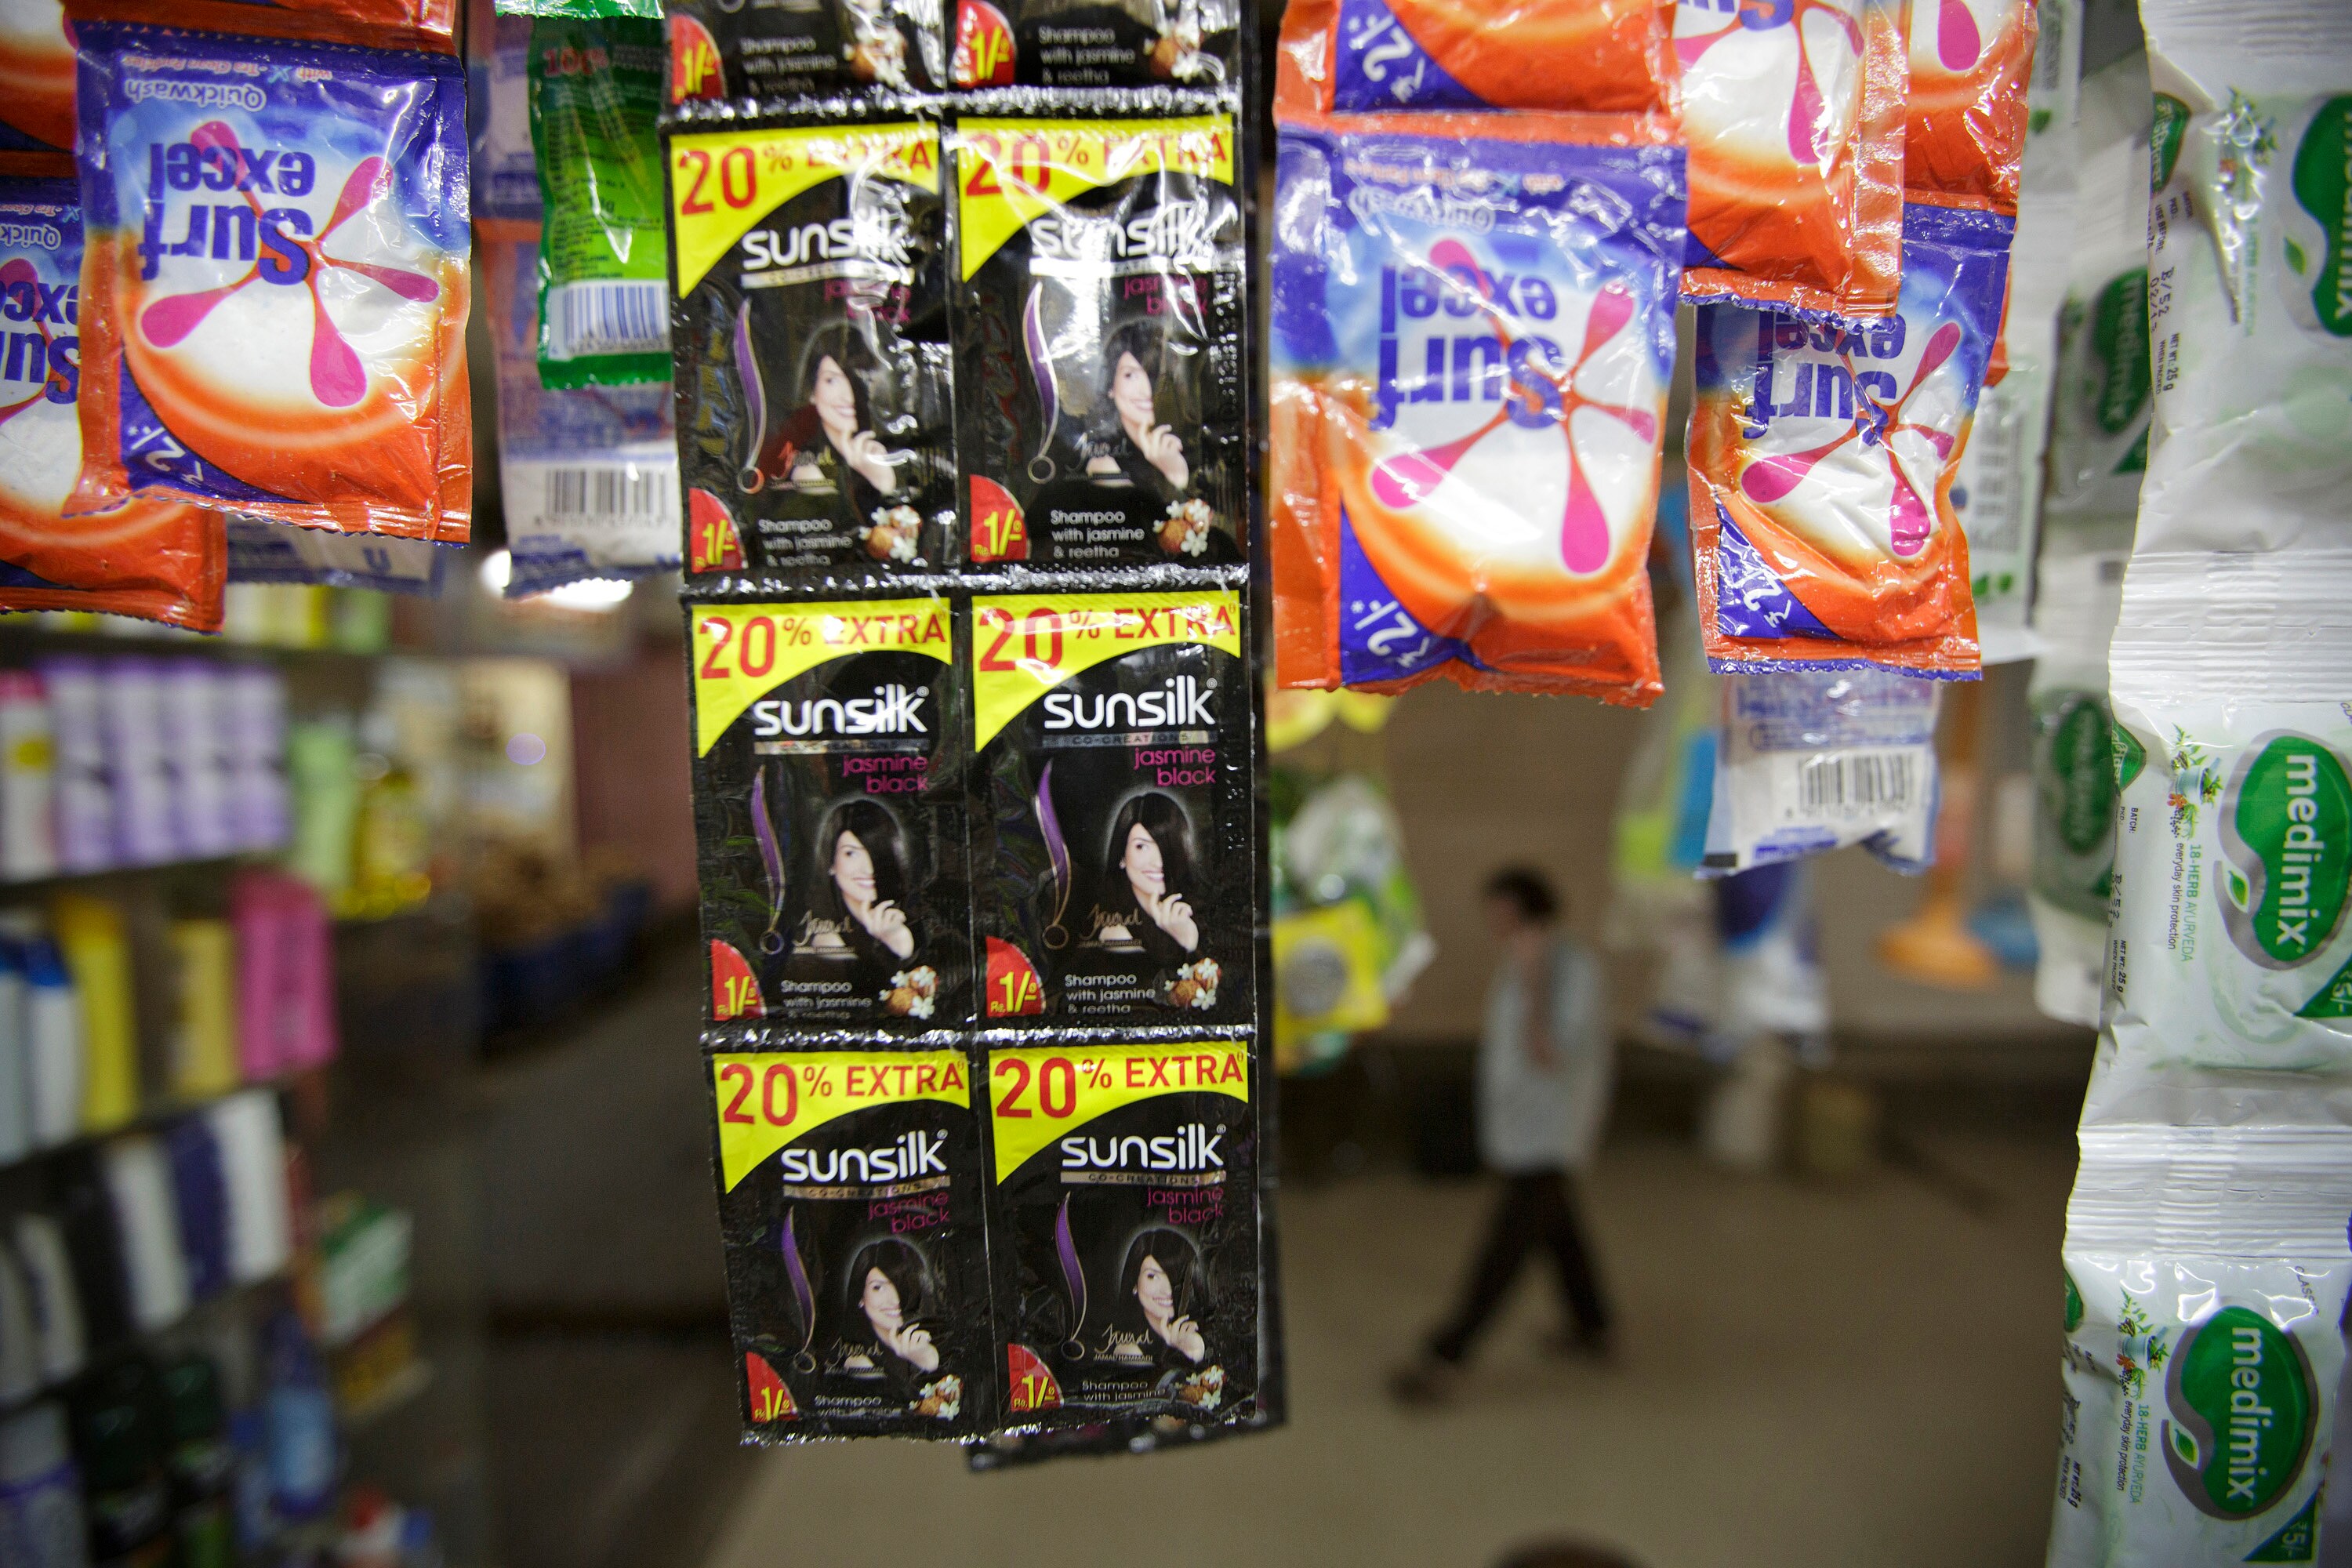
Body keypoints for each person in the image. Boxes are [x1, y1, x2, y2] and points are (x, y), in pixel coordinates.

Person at [1393, 865, 1615, 1403]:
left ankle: (1446, 1356)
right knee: (1561, 1231)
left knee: (1506, 1246)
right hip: (1523, 1126)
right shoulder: (1517, 962)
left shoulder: (1572, 968)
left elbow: (1550, 1052)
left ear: (1527, 910)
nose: (1493, 922)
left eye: (1501, 911)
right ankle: (1593, 1326)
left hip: (1552, 1131)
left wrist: (1537, 983)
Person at [744, 324, 898, 518]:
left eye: (854, 377)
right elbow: (839, 527)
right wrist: (879, 482)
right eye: (831, 380)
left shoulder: (879, 450)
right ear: (812, 393)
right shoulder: (806, 468)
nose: (847, 395)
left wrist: (884, 480)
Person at [797, 799, 917, 989]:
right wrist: (881, 946)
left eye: (874, 851)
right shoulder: (829, 939)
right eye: (851, 854)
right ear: (831, 863)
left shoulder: (909, 919)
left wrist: (901, 944)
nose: (868, 868)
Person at [1082, 318, 1189, 503]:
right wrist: (1176, 479)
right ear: (1110, 386)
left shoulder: (1184, 442)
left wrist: (1178, 469)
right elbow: (1138, 517)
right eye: (1130, 375)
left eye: (1153, 373)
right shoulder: (1104, 462)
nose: (1145, 389)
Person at [1092, 792, 1201, 965]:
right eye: (1142, 846)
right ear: (1122, 857)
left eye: (1165, 844)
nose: (1158, 862)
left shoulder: (1198, 904)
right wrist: (1186, 945)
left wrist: (1190, 939)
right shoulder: (1116, 932)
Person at [839, 1239, 940, 1394]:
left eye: (902, 1284)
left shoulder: (935, 1334)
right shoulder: (859, 1361)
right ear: (860, 1297)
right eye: (878, 1287)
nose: (895, 1300)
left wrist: (930, 1362)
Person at [1110, 1227, 1207, 1368]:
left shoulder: (1196, 1330)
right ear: (1135, 1283)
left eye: (1174, 1276)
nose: (1167, 1290)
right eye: (1152, 1276)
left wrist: (1196, 1353)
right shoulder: (1127, 1348)